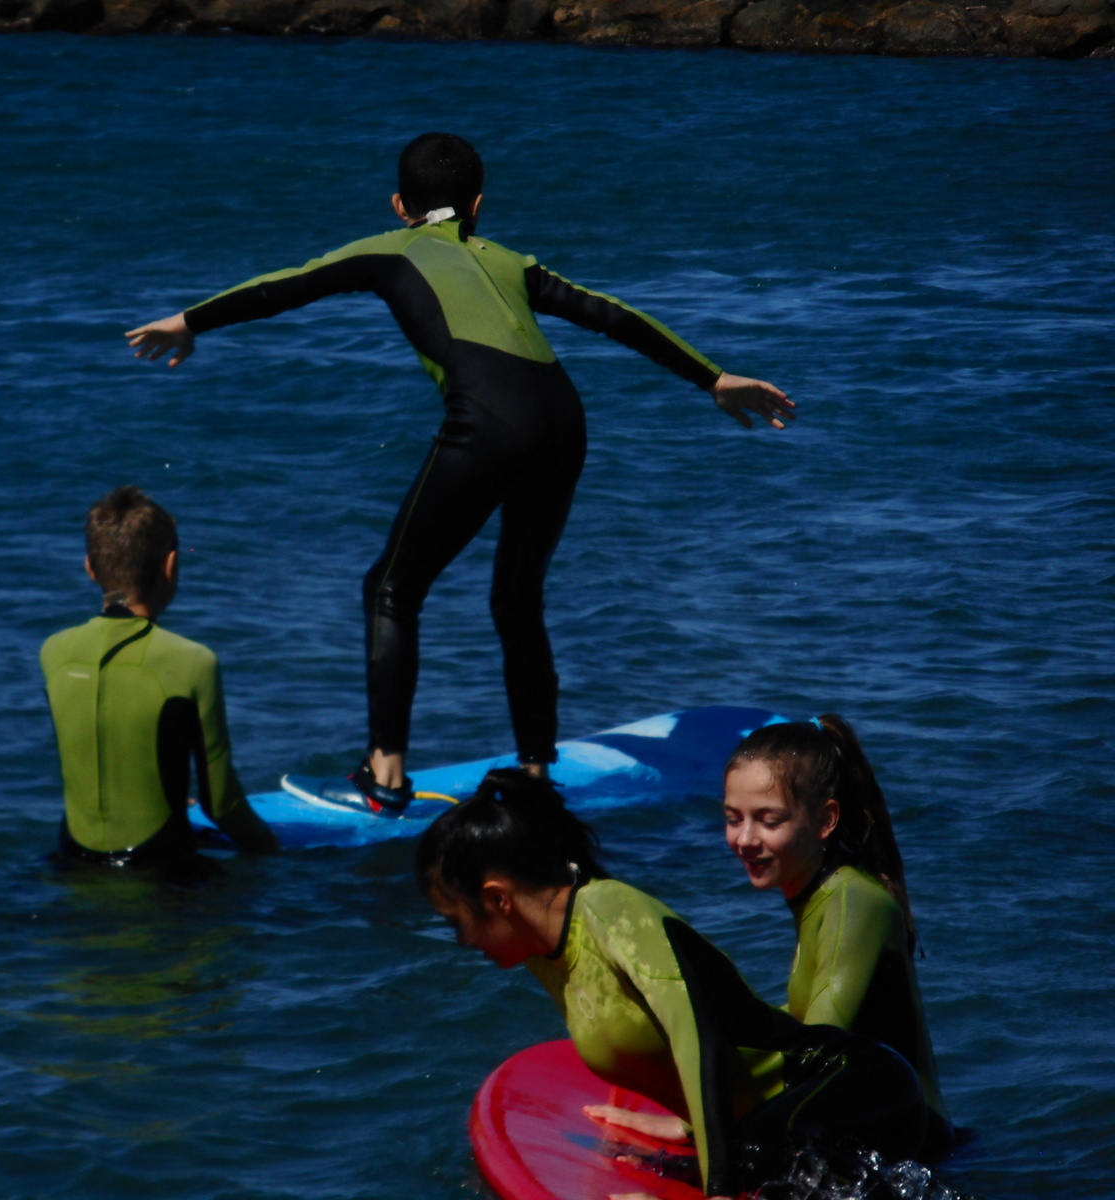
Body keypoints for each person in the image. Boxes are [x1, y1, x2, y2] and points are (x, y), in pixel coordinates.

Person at [125, 133, 794, 817]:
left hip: (489, 421)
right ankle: (535, 773)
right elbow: (610, 313)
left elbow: (284, 285)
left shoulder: (390, 249)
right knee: (517, 597)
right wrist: (713, 378)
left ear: (399, 206)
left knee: (391, 588)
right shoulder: (510, 261)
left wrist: (189, 321)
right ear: (477, 205)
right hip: (564, 421)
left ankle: (385, 776)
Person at [417, 770, 929, 1198]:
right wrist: (687, 1123)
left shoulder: (607, 908)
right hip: (774, 1118)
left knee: (758, 1153)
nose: (461, 940)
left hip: (848, 1080)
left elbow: (699, 1035)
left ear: (498, 899)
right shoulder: (542, 952)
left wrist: (718, 1190)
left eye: (455, 921)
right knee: (758, 1150)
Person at [723, 715, 954, 1159]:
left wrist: (710, 1127)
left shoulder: (852, 901)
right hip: (865, 1133)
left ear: (826, 819)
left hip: (916, 1151)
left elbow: (818, 1044)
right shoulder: (818, 896)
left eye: (768, 820)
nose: (745, 839)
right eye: (734, 818)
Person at [40, 486, 277, 879]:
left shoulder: (54, 653)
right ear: (171, 565)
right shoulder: (193, 663)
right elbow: (222, 806)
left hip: (72, 862)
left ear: (90, 568)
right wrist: (269, 847)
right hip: (161, 873)